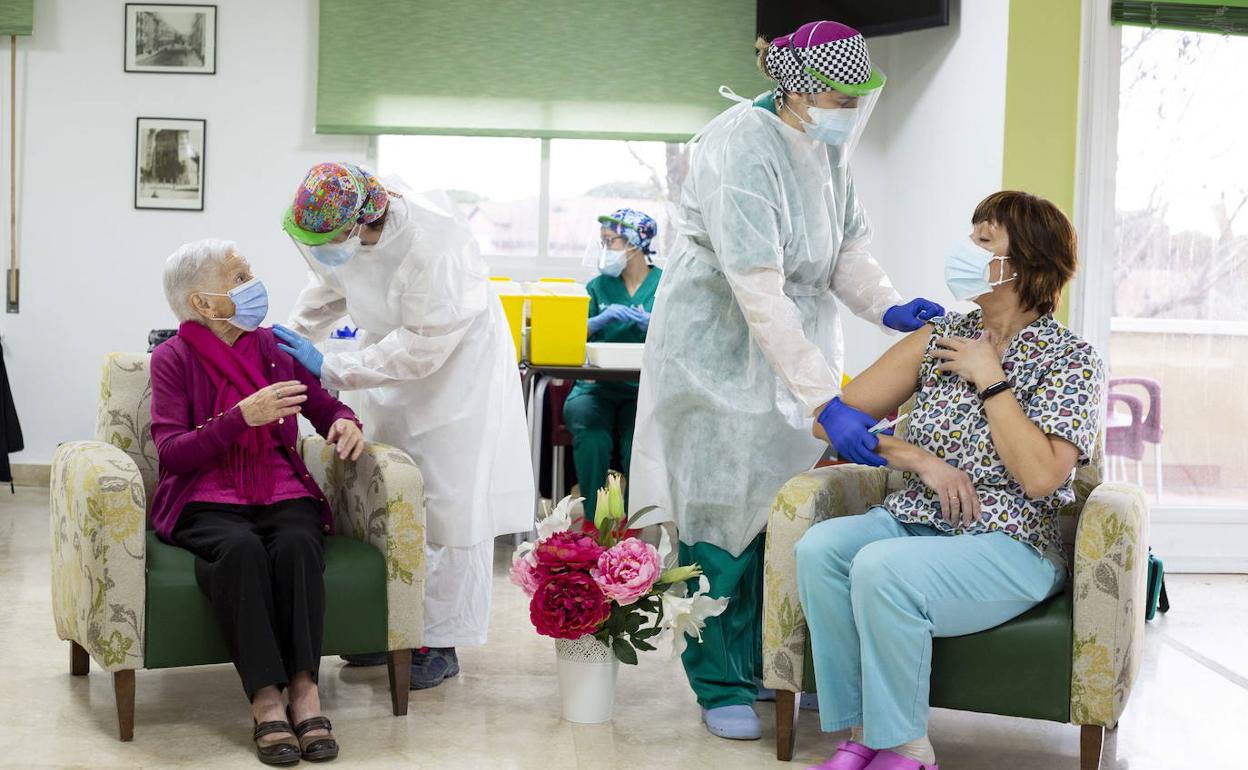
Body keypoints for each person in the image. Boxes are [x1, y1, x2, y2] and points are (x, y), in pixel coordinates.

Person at [628, 20, 946, 741]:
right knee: (720, 514)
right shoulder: (741, 145)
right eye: (841, 95)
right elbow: (759, 290)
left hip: (790, 341)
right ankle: (717, 682)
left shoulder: (825, 148)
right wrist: (825, 398)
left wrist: (888, 304)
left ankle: (770, 667)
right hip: (719, 346)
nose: (850, 110)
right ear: (800, 87)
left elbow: (847, 250)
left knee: (779, 512)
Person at [797, 191, 1106, 770]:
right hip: (914, 520)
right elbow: (831, 423)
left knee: (880, 566)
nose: (967, 251)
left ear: (1028, 264)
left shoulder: (1072, 360)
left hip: (1009, 543)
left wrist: (992, 380)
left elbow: (1041, 478)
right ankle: (864, 734)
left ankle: (908, 747)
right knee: (820, 550)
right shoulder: (940, 333)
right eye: (972, 236)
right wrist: (919, 460)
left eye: (984, 241)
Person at [273, 162, 534, 689]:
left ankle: (438, 641)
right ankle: (386, 627)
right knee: (384, 491)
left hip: (455, 376)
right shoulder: (343, 236)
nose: (321, 250)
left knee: (444, 504)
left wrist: (330, 366)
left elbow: (422, 346)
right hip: (387, 363)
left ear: (357, 225)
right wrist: (283, 338)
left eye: (327, 240)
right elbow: (327, 289)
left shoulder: (436, 242)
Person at [151, 239, 364, 765]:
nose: (253, 284)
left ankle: (304, 690)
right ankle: (266, 699)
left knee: (296, 542)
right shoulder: (172, 359)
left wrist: (344, 421)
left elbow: (322, 404)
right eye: (238, 276)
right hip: (205, 497)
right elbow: (173, 453)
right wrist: (239, 418)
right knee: (241, 550)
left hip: (281, 488)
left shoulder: (273, 347)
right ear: (202, 303)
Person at [564, 208, 662, 522]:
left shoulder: (667, 285)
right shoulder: (597, 287)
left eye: (611, 241)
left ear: (635, 243)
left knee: (639, 442)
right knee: (591, 434)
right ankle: (598, 524)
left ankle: (632, 524)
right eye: (602, 242)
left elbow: (687, 335)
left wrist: (658, 324)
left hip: (645, 391)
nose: (605, 249)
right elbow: (570, 336)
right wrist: (595, 322)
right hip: (596, 389)